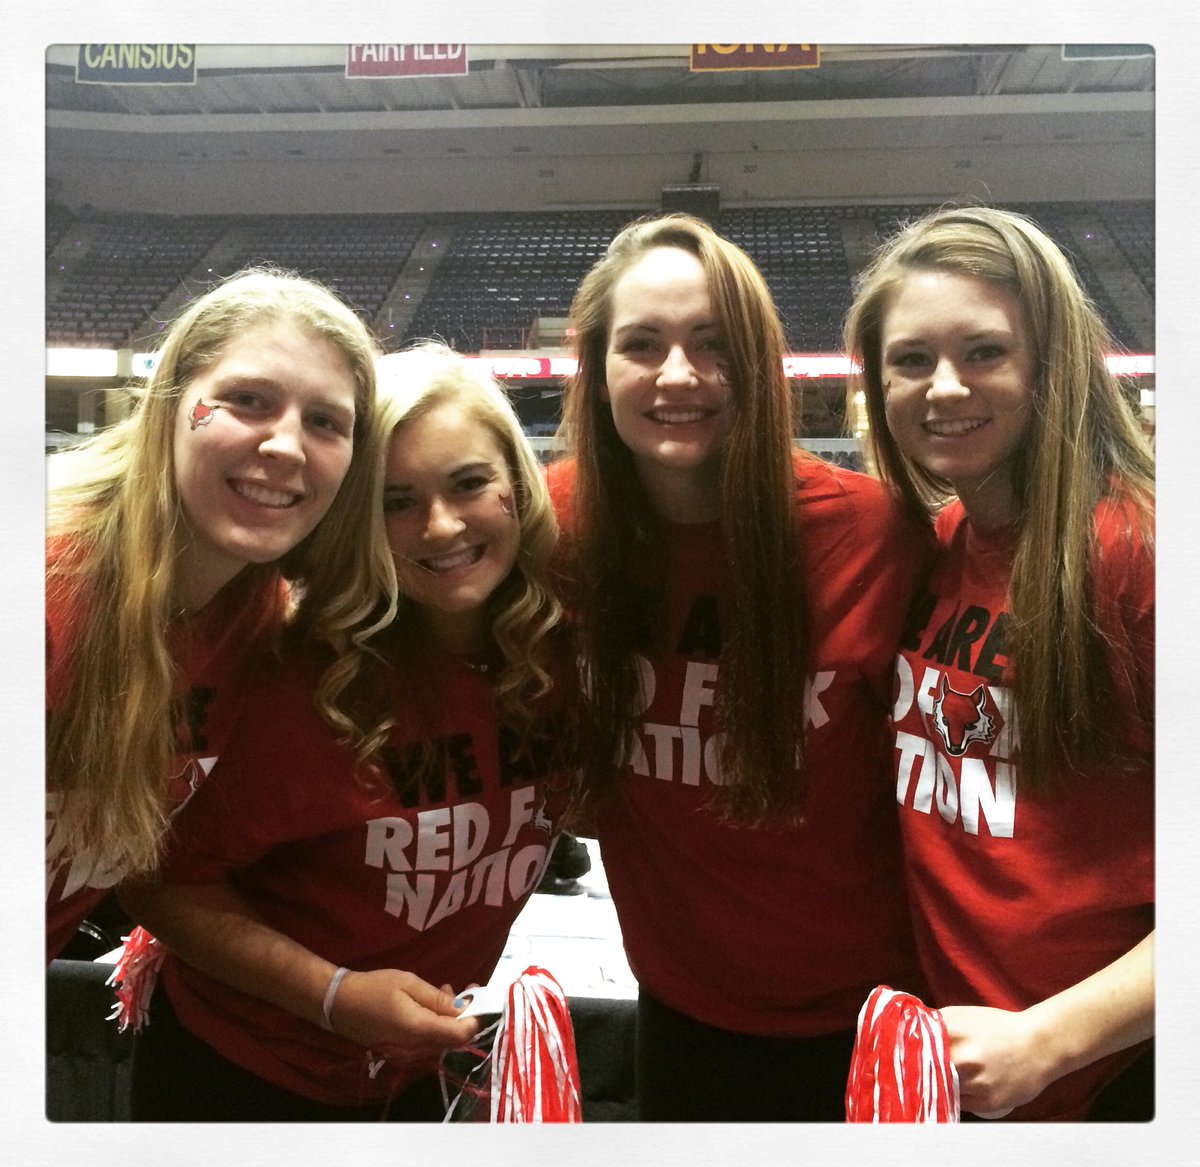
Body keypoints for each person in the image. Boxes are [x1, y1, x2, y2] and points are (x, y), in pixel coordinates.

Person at [123, 342, 575, 1121]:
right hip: (242, 1075)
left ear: (518, 487)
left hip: (413, 1074)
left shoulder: (560, 650)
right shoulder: (290, 674)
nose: (440, 526)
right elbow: (157, 880)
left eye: (469, 484)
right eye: (395, 501)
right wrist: (334, 996)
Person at [547, 212, 931, 1121]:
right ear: (598, 367)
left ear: (758, 363)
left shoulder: (879, 535)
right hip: (680, 1011)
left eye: (712, 344)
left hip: (878, 1017)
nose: (677, 374)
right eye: (642, 344)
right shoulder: (549, 528)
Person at [844, 205, 1154, 1121]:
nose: (944, 387)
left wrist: (1049, 1038)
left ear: (1049, 365)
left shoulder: (1133, 552)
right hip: (966, 1069)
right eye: (911, 360)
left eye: (983, 352)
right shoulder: (939, 544)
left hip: (1107, 1075)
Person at [46, 267, 380, 963]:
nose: (286, 445)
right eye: (248, 400)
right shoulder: (44, 595)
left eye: (324, 421)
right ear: (171, 407)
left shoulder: (253, 611)